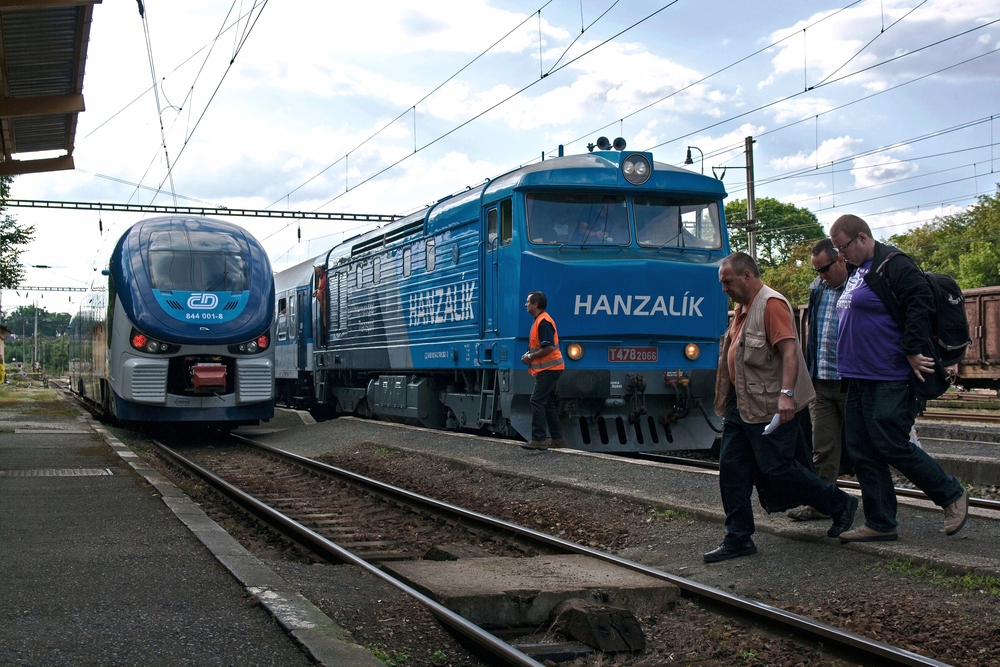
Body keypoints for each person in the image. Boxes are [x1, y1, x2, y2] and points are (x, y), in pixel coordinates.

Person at [705, 252, 859, 563]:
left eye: (727, 282)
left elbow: (789, 351)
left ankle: (840, 504)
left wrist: (787, 395)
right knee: (732, 471)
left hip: (769, 407)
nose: (724, 288)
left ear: (747, 275)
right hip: (741, 404)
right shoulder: (742, 308)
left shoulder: (771, 304)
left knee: (779, 470)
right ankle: (738, 537)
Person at [829, 215, 969, 542]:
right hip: (858, 376)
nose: (841, 255)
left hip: (888, 374)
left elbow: (919, 301)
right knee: (862, 448)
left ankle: (951, 495)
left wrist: (910, 349)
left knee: (890, 441)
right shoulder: (857, 270)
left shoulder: (895, 264)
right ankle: (880, 522)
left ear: (862, 237)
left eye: (843, 247)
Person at [787, 238, 853, 521]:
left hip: (852, 382)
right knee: (823, 447)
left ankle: (879, 510)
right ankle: (823, 504)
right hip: (821, 380)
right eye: (817, 270)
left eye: (824, 268)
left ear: (840, 259)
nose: (821, 275)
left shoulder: (859, 288)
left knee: (865, 447)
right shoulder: (819, 290)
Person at [521, 291, 566, 450]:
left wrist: (530, 357)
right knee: (547, 403)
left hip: (550, 368)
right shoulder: (540, 320)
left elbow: (548, 348)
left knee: (536, 400)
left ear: (535, 304)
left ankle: (538, 439)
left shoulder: (544, 322)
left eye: (528, 302)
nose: (526, 304)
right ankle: (558, 439)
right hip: (551, 368)